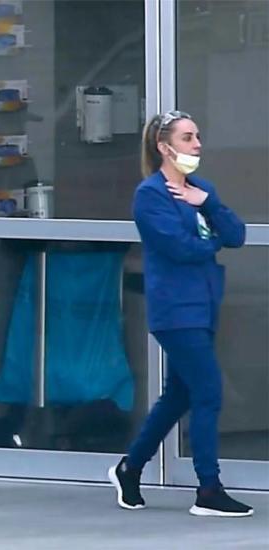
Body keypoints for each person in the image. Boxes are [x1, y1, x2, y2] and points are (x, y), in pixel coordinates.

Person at [109, 109, 252, 517]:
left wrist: (208, 204)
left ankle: (130, 468)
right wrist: (213, 242)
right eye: (188, 138)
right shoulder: (150, 195)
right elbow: (179, 249)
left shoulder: (200, 189)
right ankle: (208, 489)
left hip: (204, 304)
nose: (197, 145)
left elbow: (237, 235)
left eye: (197, 136)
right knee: (208, 391)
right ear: (164, 146)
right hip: (176, 308)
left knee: (178, 396)